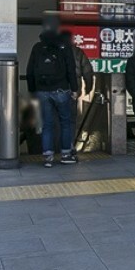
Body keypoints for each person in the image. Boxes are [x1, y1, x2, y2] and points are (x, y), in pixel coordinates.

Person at [26, 17, 78, 168]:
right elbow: (71, 69)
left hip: (42, 91)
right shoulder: (64, 46)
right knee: (65, 123)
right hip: (62, 89)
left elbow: (30, 71)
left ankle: (48, 157)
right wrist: (74, 89)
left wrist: (32, 90)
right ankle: (65, 155)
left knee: (47, 124)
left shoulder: (37, 47)